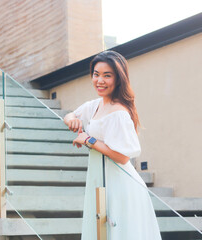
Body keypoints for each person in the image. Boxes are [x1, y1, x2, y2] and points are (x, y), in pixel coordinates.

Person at [64, 51, 162, 239]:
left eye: (107, 75)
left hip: (121, 185)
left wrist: (88, 140)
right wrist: (72, 121)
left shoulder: (119, 112)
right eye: (96, 74)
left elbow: (123, 157)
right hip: (101, 180)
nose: (99, 80)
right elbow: (71, 115)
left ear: (118, 79)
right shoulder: (95, 105)